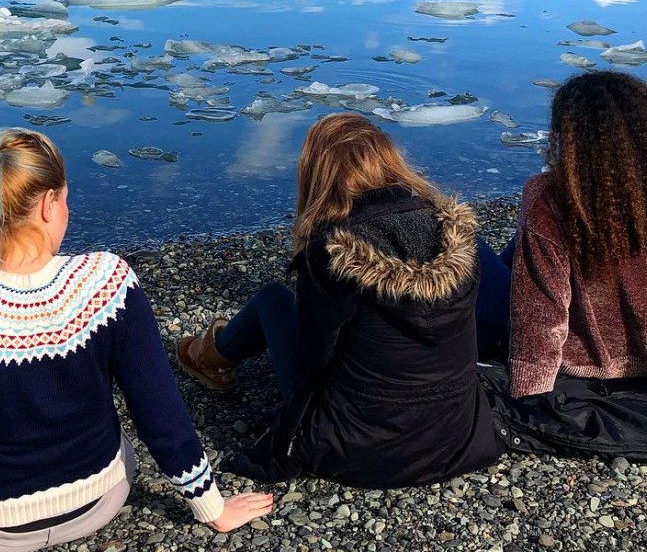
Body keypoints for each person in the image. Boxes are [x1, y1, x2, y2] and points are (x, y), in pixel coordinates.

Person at [0, 128, 272, 552]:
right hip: (99, 501)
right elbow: (162, 418)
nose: (68, 210)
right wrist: (214, 510)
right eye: (65, 199)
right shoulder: (108, 280)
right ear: (47, 205)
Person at [177, 113, 501, 486]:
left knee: (273, 300)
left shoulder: (333, 255)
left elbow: (315, 363)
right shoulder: (455, 239)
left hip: (363, 445)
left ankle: (211, 357)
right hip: (454, 434)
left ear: (318, 175)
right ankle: (214, 352)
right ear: (391, 161)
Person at [500, 71, 647, 409]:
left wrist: (531, 397)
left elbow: (540, 313)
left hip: (575, 366)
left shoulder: (547, 198)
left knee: (482, 253)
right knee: (521, 245)